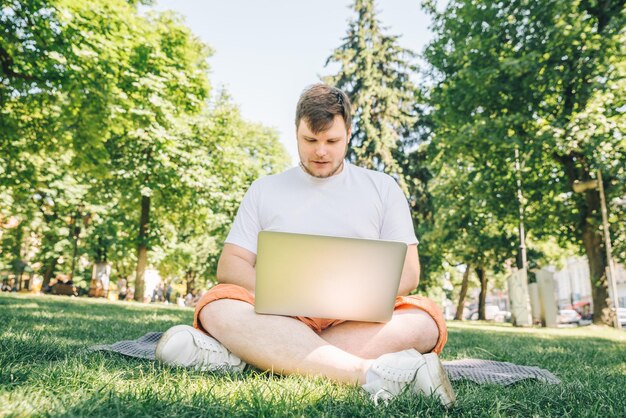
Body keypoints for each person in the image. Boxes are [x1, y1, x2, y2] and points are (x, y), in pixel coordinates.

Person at [156, 84, 455, 406]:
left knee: (426, 320)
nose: (321, 151)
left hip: (356, 318)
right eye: (310, 140)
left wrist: (343, 298)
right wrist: (289, 294)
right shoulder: (265, 189)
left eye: (332, 141)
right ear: (296, 132)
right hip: (279, 314)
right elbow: (230, 265)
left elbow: (409, 274)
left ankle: (244, 355)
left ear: (349, 133)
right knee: (217, 304)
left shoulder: (382, 188)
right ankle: (370, 373)